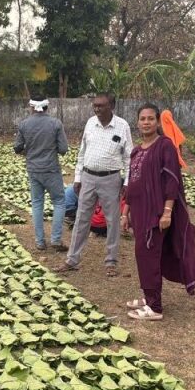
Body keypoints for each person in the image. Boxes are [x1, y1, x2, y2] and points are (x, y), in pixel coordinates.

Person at [120, 103, 195, 320]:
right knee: (144, 256)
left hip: (155, 213)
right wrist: (125, 214)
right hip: (138, 212)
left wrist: (167, 212)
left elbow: (172, 181)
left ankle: (154, 308)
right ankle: (149, 296)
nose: (146, 122)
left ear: (157, 122)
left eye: (150, 119)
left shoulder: (164, 146)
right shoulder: (136, 151)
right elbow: (131, 184)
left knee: (148, 255)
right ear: (137, 122)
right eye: (142, 118)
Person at [58, 93, 133, 277]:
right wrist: (77, 177)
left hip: (111, 179)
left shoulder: (122, 126)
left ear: (112, 106)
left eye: (101, 105)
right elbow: (82, 153)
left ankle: (111, 261)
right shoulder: (90, 123)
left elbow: (129, 158)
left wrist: (127, 181)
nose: (97, 109)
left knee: (112, 221)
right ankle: (72, 259)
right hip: (88, 177)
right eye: (95, 105)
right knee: (81, 219)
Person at [14, 96, 68, 251]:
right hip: (51, 169)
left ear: (32, 107)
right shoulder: (56, 123)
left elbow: (17, 147)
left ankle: (39, 241)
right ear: (47, 107)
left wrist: (29, 152)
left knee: (37, 204)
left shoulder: (24, 124)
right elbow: (63, 149)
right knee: (59, 202)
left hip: (33, 170)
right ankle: (56, 239)